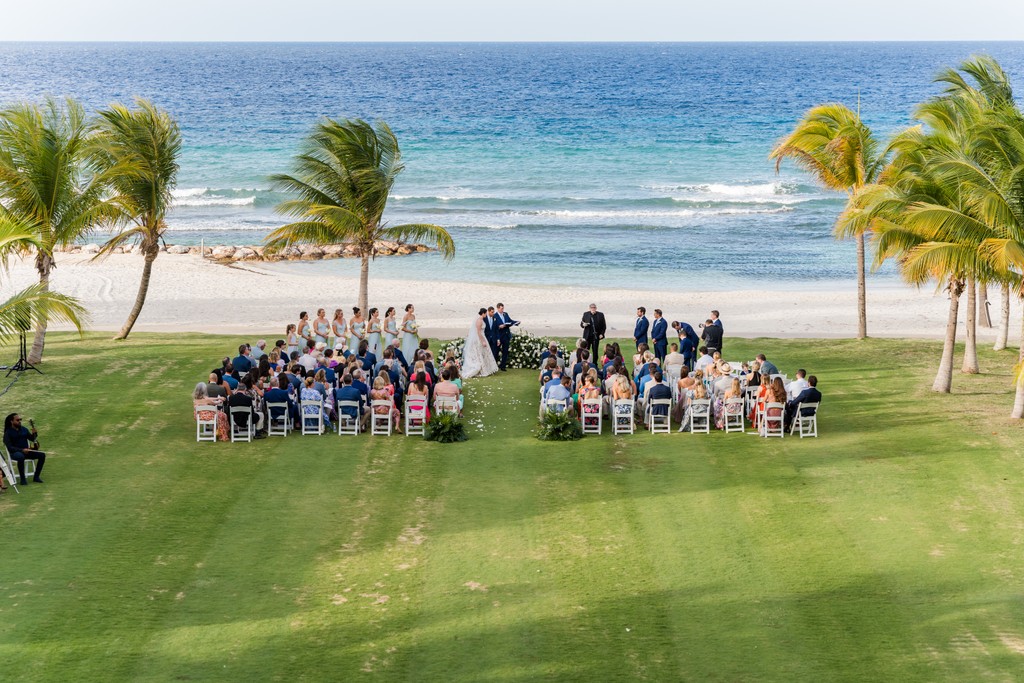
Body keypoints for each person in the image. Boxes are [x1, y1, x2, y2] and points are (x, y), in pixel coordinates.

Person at [3, 413, 47, 485]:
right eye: (17, 420)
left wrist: (35, 434)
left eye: (20, 420)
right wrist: (22, 450)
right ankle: (22, 479)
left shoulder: (24, 429)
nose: (19, 421)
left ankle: (36, 477)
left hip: (27, 452)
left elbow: (32, 439)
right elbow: (10, 447)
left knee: (42, 455)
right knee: (20, 456)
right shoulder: (8, 433)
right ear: (11, 421)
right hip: (15, 453)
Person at [462, 308, 500, 379]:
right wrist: (483, 341)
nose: (486, 315)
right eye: (485, 313)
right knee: (480, 353)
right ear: (483, 313)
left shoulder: (481, 320)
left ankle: (487, 368)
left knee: (485, 353)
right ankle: (482, 369)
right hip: (480, 338)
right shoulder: (479, 320)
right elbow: (479, 332)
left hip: (483, 337)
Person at [493, 303, 517, 371]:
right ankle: (494, 366)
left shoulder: (505, 314)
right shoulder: (495, 316)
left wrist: (516, 322)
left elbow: (510, 321)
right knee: (496, 351)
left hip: (506, 335)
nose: (502, 310)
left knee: (505, 351)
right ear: (498, 308)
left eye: (503, 308)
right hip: (499, 335)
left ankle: (503, 365)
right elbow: (494, 327)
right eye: (501, 308)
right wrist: (499, 326)